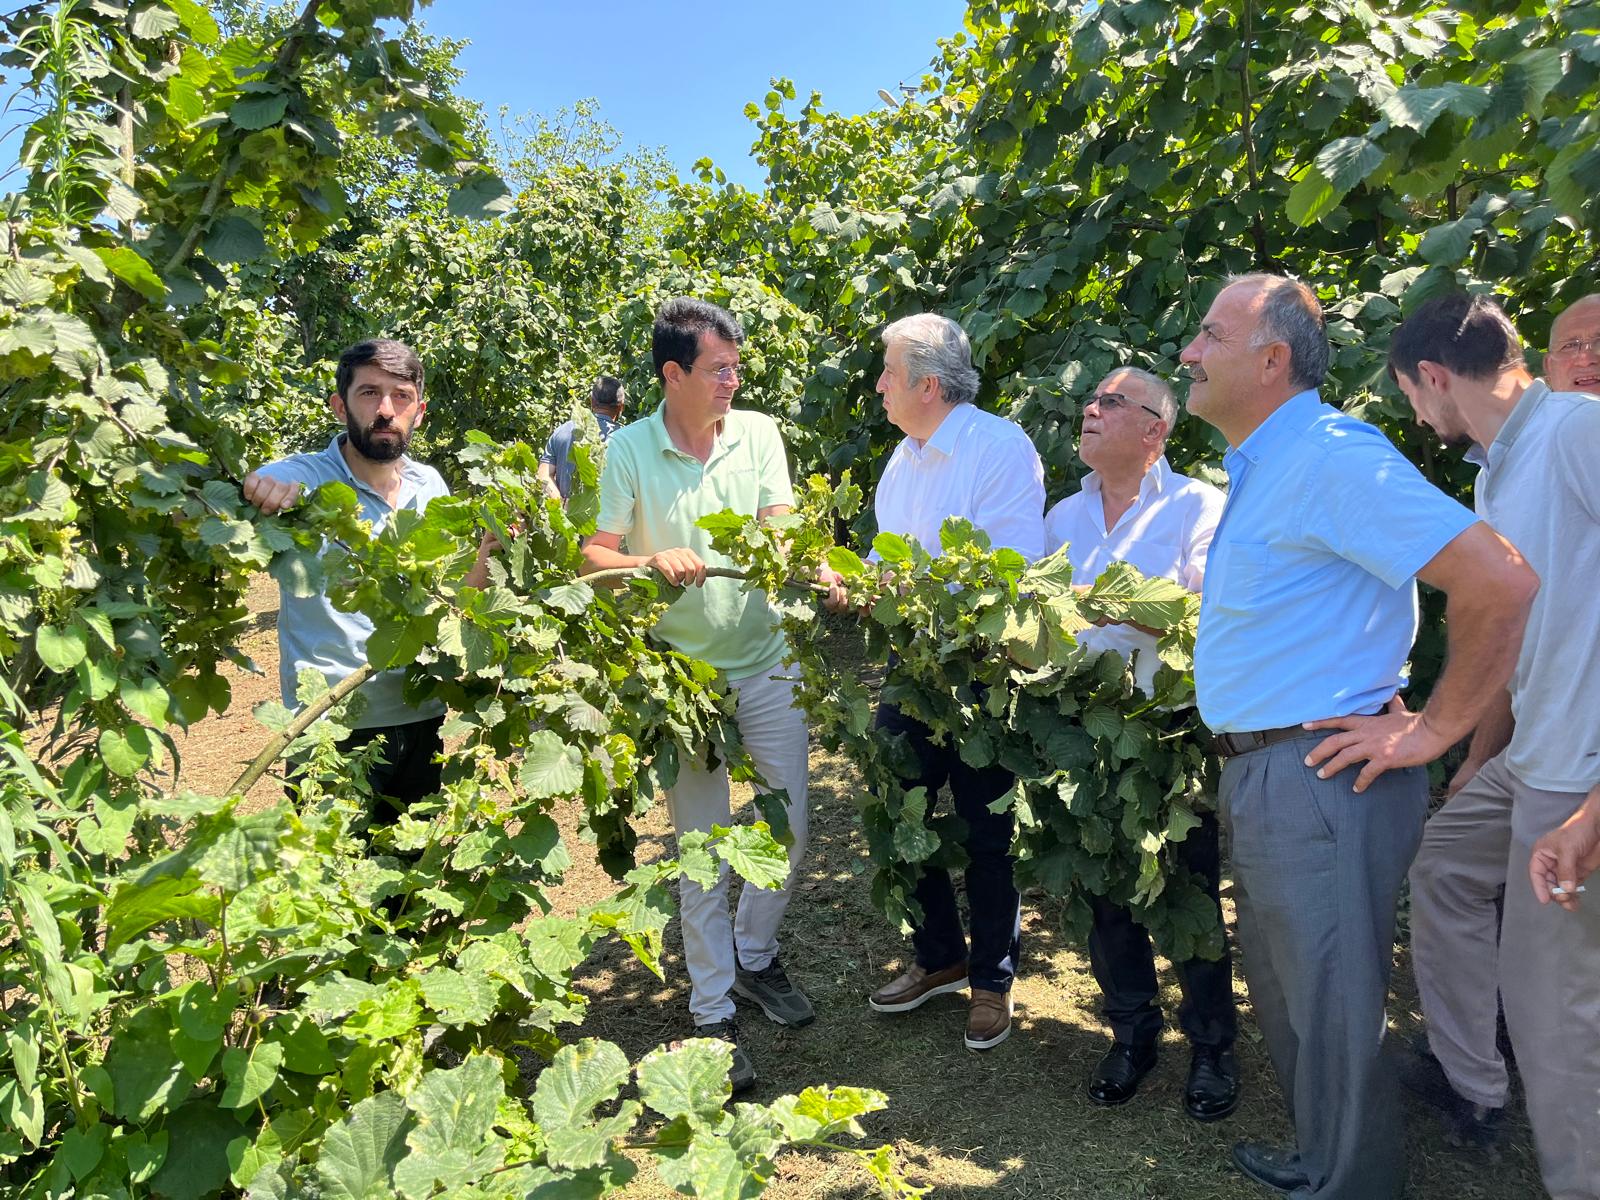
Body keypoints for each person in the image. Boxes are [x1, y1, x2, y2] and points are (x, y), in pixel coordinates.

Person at [1177, 274, 1538, 1200]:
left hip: (1320, 775)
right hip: (1271, 771)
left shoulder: (1332, 455)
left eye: (1208, 335)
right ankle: (1320, 1158)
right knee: (1296, 994)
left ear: (1271, 360)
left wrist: (1436, 728)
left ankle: (1351, 1185)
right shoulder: (1266, 464)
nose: (1188, 353)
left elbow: (1498, 582)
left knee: (1332, 1001)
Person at [1388, 292, 1600, 1200]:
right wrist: (1476, 761)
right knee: (1442, 865)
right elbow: (1524, 640)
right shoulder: (1495, 473)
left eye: (1408, 395)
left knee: (1555, 1010)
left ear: (1433, 378)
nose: (1414, 414)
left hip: (1581, 769)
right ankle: (1474, 1083)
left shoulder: (1579, 433)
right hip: (1532, 752)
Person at [580, 298, 811, 1093]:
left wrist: (788, 548)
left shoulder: (760, 434)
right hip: (682, 682)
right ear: (672, 375)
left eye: (737, 366)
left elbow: (781, 518)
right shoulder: (630, 451)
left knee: (790, 827)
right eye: (719, 368)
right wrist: (648, 564)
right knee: (703, 850)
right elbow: (592, 554)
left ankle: (755, 957)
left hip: (767, 662)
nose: (733, 380)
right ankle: (714, 1011)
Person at [1042, 367, 1239, 1120]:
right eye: (1089, 400)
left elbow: (1197, 609)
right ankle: (1133, 1034)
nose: (1089, 410)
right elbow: (1041, 616)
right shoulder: (1063, 516)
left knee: (1186, 891)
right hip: (1081, 732)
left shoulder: (1199, 506)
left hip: (1171, 733)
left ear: (1156, 429)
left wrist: (1099, 600)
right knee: (1105, 892)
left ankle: (1213, 1046)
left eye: (1110, 402)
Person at [861, 313, 1045, 1053]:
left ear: (928, 384)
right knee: (892, 798)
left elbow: (1011, 575)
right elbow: (886, 568)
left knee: (985, 829)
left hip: (981, 670)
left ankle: (992, 979)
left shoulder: (998, 448)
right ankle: (940, 954)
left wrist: (905, 590)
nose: (878, 384)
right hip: (915, 667)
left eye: (887, 371)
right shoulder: (903, 459)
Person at [242, 338, 496, 829]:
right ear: (340, 406)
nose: (386, 410)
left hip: (420, 714)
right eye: (368, 394)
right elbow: (264, 479)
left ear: (419, 411)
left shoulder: (431, 487)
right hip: (330, 726)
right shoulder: (307, 481)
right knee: (329, 888)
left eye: (401, 396)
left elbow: (449, 602)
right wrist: (262, 485)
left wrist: (489, 555)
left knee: (405, 887)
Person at [538, 375, 624, 503]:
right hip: (608, 519)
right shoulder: (625, 439)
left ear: (592, 401)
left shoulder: (562, 431)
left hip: (565, 519)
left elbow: (543, 475)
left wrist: (561, 505)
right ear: (621, 407)